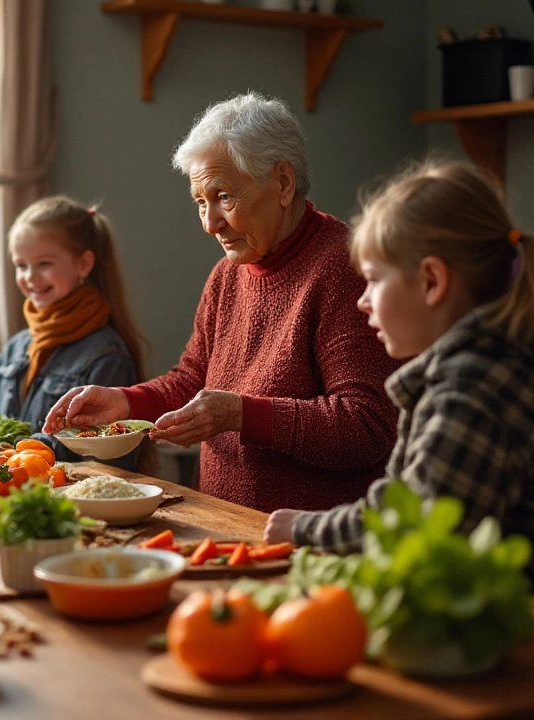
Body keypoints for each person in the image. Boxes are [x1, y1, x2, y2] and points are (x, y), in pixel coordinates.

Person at [263, 161, 534, 619]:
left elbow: (415, 526)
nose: (362, 299)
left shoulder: (478, 389)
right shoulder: (475, 369)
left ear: (433, 282)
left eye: (374, 280)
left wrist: (305, 528)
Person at [44, 93, 400, 511]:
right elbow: (192, 381)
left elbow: (367, 427)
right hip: (220, 521)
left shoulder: (344, 268)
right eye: (200, 202)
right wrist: (124, 402)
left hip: (303, 539)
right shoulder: (227, 274)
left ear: (283, 183)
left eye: (224, 197)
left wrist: (242, 415)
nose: (210, 224)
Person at [0, 196, 147, 467]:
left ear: (84, 264)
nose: (30, 276)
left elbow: (110, 452)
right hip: (9, 488)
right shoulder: (20, 345)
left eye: (44, 263)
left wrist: (34, 449)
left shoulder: (106, 355)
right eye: (21, 265)